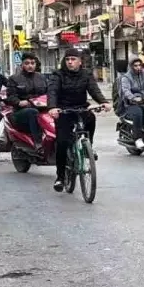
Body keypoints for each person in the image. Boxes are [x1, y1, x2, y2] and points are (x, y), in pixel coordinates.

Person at [47, 48, 111, 192]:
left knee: (91, 118)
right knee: (62, 142)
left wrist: (103, 102)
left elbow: (94, 90)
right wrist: (52, 107)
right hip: (63, 110)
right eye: (68, 59)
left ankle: (89, 147)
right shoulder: (58, 75)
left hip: (81, 108)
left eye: (73, 59)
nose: (70, 62)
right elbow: (52, 92)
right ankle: (60, 178)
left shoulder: (86, 74)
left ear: (80, 62)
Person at [7, 52, 48, 146]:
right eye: (27, 63)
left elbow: (49, 92)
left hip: (42, 108)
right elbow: (10, 96)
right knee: (32, 112)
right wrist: (18, 102)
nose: (30, 66)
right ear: (22, 65)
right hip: (21, 112)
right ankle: (38, 142)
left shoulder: (41, 77)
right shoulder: (14, 78)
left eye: (32, 63)